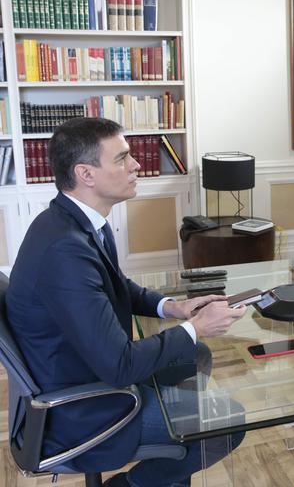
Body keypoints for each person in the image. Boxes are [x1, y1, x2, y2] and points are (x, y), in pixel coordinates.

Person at [6, 117, 248, 487]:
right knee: (226, 423)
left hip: (83, 370)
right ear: (86, 174)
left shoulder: (73, 223)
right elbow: (120, 366)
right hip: (83, 410)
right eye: (122, 158)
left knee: (194, 355)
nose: (136, 165)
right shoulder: (64, 250)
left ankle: (176, 450)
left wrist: (174, 308)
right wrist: (195, 327)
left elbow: (117, 285)